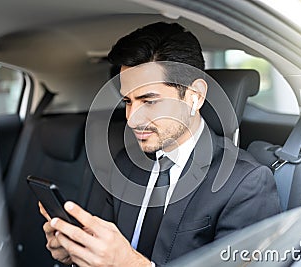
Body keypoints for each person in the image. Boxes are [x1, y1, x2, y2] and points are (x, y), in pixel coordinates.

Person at [40, 22, 281, 267]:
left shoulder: (245, 184)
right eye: (128, 102)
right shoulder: (124, 164)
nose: (132, 119)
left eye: (150, 101)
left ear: (194, 96)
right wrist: (78, 254)